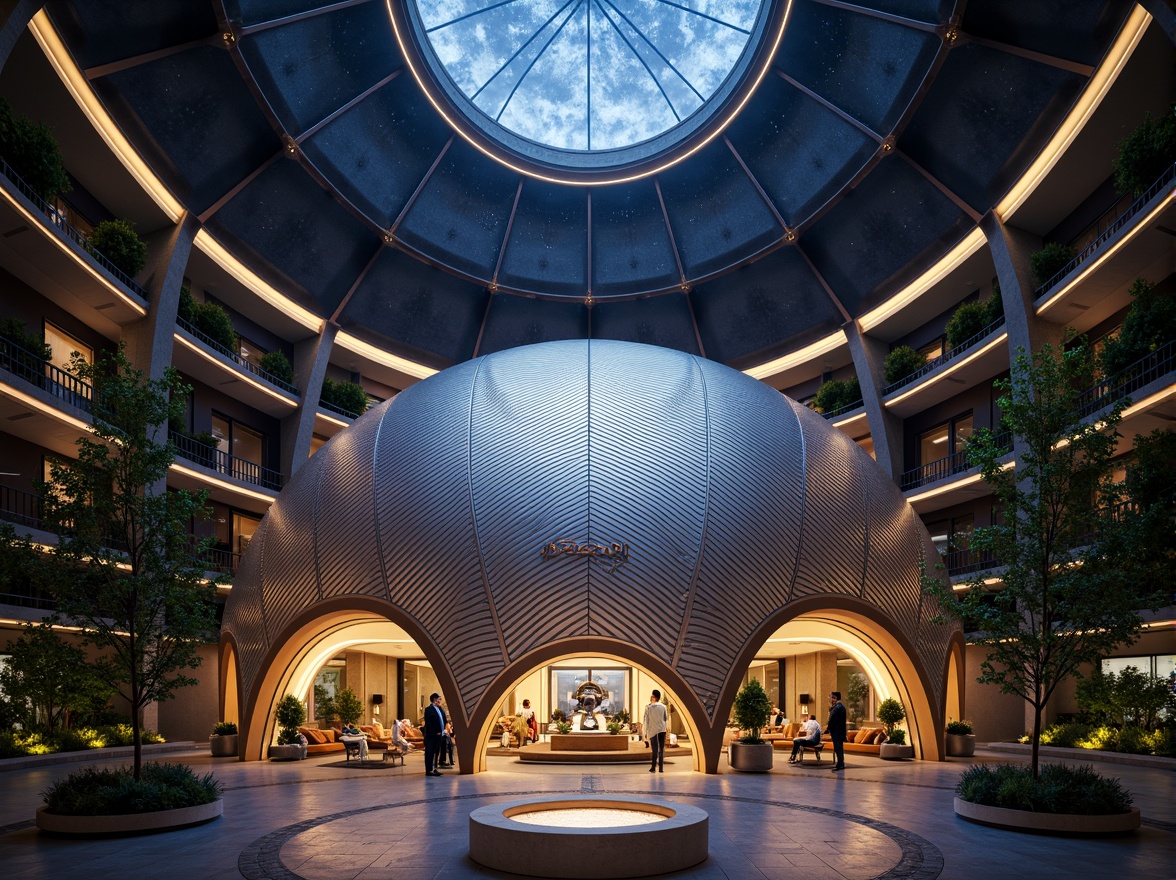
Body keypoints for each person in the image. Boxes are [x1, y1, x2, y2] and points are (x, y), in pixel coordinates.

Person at [643, 689, 668, 773]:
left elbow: (646, 721)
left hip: (653, 730)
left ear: (654, 697)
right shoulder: (664, 707)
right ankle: (661, 768)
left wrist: (645, 733)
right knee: (661, 748)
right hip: (662, 729)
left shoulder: (649, 707)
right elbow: (666, 718)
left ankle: (653, 767)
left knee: (655, 749)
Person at [423, 692, 448, 776]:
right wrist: (435, 732)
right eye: (439, 699)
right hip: (432, 735)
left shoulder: (440, 709)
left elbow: (443, 719)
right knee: (430, 752)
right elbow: (429, 723)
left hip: (440, 734)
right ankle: (429, 770)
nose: (440, 701)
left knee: (436, 752)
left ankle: (435, 768)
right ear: (434, 700)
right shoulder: (429, 710)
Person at [827, 691, 847, 771]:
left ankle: (840, 764)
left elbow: (833, 719)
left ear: (835, 698)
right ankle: (840, 763)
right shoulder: (838, 707)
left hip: (837, 731)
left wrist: (829, 728)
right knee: (838, 748)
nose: (830, 699)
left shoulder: (838, 707)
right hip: (839, 731)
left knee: (838, 748)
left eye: (831, 697)